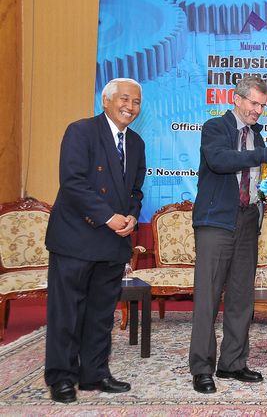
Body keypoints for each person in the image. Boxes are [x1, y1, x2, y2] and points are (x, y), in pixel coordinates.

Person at [189, 76, 267, 394]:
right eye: (253, 103)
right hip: (216, 221)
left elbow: (258, 176)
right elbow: (220, 161)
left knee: (241, 296)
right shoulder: (215, 128)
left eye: (263, 105)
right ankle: (202, 368)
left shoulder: (257, 136)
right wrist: (265, 155)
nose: (258, 110)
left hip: (248, 221)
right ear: (236, 99)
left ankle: (232, 363)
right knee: (207, 297)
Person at [44, 78, 146, 403]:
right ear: (106, 101)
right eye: (124, 99)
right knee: (67, 313)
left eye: (136, 102)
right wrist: (108, 217)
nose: (130, 107)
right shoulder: (81, 131)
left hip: (113, 243)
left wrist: (131, 217)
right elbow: (73, 182)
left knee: (101, 314)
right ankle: (62, 378)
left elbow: (135, 191)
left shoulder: (136, 143)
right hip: (76, 238)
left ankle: (95, 373)